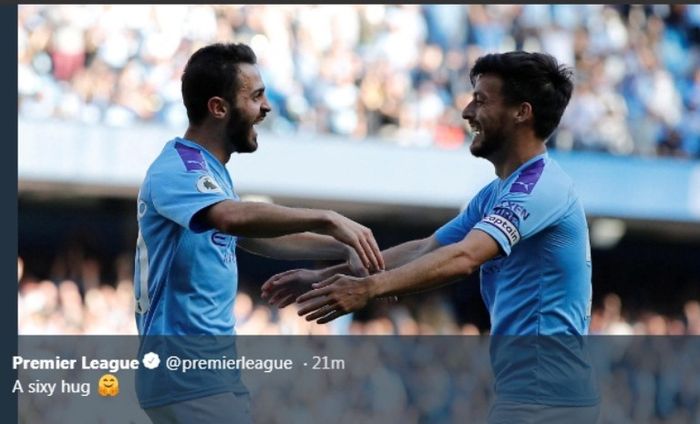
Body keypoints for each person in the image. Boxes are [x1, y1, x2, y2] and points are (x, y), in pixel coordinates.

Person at [263, 51, 600, 423]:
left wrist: (369, 289)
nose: (467, 111)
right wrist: (321, 278)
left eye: (481, 100)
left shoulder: (540, 187)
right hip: (532, 396)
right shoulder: (497, 193)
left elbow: (465, 258)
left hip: (548, 401)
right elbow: (428, 248)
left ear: (522, 112)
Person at [133, 42, 384, 424]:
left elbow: (252, 234)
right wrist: (326, 218)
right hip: (187, 372)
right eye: (256, 96)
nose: (266, 107)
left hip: (203, 373)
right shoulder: (178, 167)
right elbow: (233, 219)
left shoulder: (210, 173)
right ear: (218, 107)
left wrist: (340, 245)